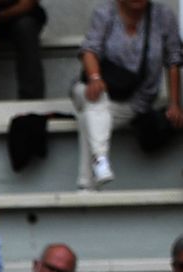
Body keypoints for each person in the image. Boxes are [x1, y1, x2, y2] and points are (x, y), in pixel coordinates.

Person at [74, 0, 182, 190]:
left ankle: (87, 183)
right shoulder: (105, 13)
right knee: (91, 95)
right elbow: (89, 50)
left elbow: (173, 60)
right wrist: (95, 78)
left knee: (87, 117)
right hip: (99, 89)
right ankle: (99, 160)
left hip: (136, 100)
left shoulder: (163, 16)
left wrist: (174, 103)